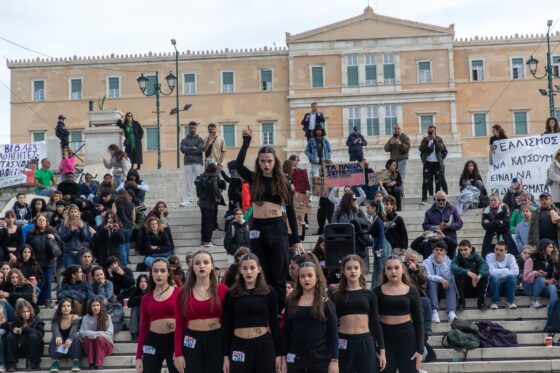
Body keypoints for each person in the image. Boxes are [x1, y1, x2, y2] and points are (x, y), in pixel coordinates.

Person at [236, 126, 302, 309]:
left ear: (275, 162)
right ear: (258, 162)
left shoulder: (283, 183)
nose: (266, 164)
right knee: (260, 271)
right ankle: (263, 307)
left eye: (269, 161)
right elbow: (238, 165)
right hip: (257, 227)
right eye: (263, 161)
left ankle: (280, 309)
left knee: (279, 274)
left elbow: (290, 213)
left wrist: (295, 239)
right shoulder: (254, 178)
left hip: (277, 228)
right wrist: (246, 142)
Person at [222, 253, 282, 373]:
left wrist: (279, 355)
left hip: (264, 345)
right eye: (245, 268)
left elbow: (274, 324)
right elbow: (227, 326)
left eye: (252, 268)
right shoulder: (231, 294)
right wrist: (225, 357)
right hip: (238, 345)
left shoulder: (269, 292)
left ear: (259, 269)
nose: (249, 272)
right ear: (240, 270)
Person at [173, 251, 228, 373]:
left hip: (216, 338)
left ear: (212, 265)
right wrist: (178, 353)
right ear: (192, 267)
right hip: (191, 338)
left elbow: (227, 322)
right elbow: (179, 324)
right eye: (197, 263)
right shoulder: (182, 293)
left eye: (206, 262)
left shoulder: (223, 290)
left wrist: (227, 354)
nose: (201, 266)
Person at [330, 255, 386, 373]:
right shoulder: (336, 295)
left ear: (361, 270)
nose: (353, 271)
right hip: (343, 341)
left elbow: (375, 323)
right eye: (349, 268)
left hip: (365, 340)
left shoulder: (369, 294)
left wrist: (382, 350)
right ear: (343, 272)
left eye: (356, 268)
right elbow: (331, 324)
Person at [283, 260, 338, 373]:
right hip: (295, 355)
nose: (306, 279)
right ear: (298, 279)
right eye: (302, 276)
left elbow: (333, 333)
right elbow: (286, 332)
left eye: (309, 275)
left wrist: (334, 360)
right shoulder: (291, 302)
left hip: (320, 356)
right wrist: (283, 357)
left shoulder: (325, 303)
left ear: (316, 277)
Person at [374, 255, 423, 373]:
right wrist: (378, 347)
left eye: (396, 267)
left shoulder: (412, 291)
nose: (393, 271)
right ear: (384, 271)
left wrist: (420, 349)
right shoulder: (377, 291)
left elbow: (418, 321)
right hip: (385, 338)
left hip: (407, 337)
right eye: (389, 268)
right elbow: (374, 321)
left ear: (403, 270)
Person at [133, 258, 179, 373]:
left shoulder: (179, 293)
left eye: (163, 271)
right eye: (155, 271)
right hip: (152, 341)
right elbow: (143, 328)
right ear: (151, 273)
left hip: (174, 340)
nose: (159, 274)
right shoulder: (146, 298)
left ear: (169, 273)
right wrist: (138, 356)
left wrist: (181, 349)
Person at [26, 213, 62, 308]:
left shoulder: (52, 232)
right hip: (36, 262)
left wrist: (54, 238)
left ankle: (48, 301)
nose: (41, 222)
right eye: (39, 220)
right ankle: (37, 301)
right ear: (36, 222)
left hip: (48, 262)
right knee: (37, 281)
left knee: (48, 282)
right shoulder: (31, 234)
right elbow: (27, 247)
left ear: (46, 222)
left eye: (43, 220)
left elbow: (60, 245)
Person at [332, 193, 372, 270]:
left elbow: (366, 223)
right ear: (347, 200)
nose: (355, 201)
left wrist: (356, 222)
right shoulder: (338, 212)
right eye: (353, 199)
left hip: (358, 243)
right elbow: (333, 225)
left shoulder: (358, 211)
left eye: (355, 199)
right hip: (344, 243)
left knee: (359, 269)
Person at [422, 240, 458, 323]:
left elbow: (449, 277)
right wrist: (440, 279)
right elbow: (427, 276)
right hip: (432, 288)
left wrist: (442, 263)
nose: (438, 252)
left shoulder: (449, 262)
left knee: (451, 281)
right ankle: (434, 311)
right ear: (433, 251)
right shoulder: (427, 261)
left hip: (445, 287)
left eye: (441, 250)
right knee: (431, 282)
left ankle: (451, 311)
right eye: (436, 249)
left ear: (445, 252)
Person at [5, 300, 44, 371]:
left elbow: (40, 334)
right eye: (23, 312)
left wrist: (26, 329)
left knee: (33, 336)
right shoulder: (17, 321)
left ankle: (34, 364)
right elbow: (10, 330)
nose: (26, 314)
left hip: (35, 349)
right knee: (10, 336)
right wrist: (13, 330)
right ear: (19, 313)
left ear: (31, 311)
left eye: (28, 311)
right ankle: (11, 365)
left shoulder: (37, 320)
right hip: (21, 348)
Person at [422, 191, 463, 258]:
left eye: (443, 200)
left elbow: (460, 223)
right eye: (439, 200)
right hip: (435, 243)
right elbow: (425, 225)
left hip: (450, 241)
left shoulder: (453, 209)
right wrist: (435, 227)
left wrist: (450, 226)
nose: (441, 202)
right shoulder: (429, 212)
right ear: (435, 200)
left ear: (446, 199)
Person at [451, 240, 489, 310]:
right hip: (463, 289)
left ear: (470, 249)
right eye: (461, 250)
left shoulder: (477, 257)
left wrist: (478, 277)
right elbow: (453, 267)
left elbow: (485, 266)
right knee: (457, 274)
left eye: (465, 249)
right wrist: (468, 272)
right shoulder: (457, 258)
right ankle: (461, 302)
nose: (463, 252)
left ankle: (481, 302)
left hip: (476, 287)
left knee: (485, 275)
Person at [403, 249, 432, 336]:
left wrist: (416, 271)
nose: (410, 262)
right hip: (405, 295)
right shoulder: (402, 269)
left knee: (426, 301)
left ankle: (427, 328)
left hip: (419, 295)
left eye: (412, 260)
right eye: (408, 260)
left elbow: (424, 281)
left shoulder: (421, 268)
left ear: (417, 262)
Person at [79, 297, 114, 369]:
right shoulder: (85, 318)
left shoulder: (107, 317)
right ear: (90, 307)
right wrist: (91, 334)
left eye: (98, 305)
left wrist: (95, 334)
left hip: (105, 347)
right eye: (93, 305)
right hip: (90, 347)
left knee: (99, 338)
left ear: (101, 306)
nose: (95, 307)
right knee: (88, 339)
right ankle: (91, 363)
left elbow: (109, 333)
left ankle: (99, 364)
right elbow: (81, 333)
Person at [48, 298, 82, 372]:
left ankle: (76, 361)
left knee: (75, 336)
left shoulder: (75, 317)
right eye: (63, 306)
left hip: (72, 348)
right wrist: (58, 336)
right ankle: (56, 362)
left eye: (68, 306)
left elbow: (74, 330)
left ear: (71, 308)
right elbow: (55, 329)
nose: (66, 308)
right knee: (55, 337)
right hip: (60, 349)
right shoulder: (56, 319)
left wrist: (70, 339)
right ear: (60, 308)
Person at [523, 238, 558, 308]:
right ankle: (534, 301)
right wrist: (537, 273)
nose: (552, 249)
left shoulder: (551, 260)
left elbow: (550, 278)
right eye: (550, 247)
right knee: (541, 278)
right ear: (543, 247)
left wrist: (552, 280)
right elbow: (526, 278)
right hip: (530, 288)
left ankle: (553, 305)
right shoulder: (532, 258)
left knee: (552, 287)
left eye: (552, 247)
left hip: (543, 287)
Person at [486, 241, 519, 310]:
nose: (498, 252)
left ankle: (510, 302)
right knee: (494, 278)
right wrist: (507, 270)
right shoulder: (489, 256)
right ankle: (494, 302)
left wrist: (499, 273)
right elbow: (491, 272)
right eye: (496, 249)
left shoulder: (510, 257)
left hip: (508, 285)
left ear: (505, 251)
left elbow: (516, 271)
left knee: (512, 277)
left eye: (501, 250)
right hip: (495, 285)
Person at [180, 121, 205, 207]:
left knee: (199, 182)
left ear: (196, 129)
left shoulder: (200, 139)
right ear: (188, 128)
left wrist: (188, 149)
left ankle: (200, 199)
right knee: (188, 182)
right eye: (190, 127)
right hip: (187, 163)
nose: (192, 129)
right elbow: (182, 150)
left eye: (193, 128)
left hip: (198, 163)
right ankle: (189, 200)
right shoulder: (184, 140)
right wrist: (193, 147)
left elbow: (200, 150)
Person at [419, 125, 445, 204]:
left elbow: (441, 148)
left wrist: (435, 140)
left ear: (435, 131)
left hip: (437, 163)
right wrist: (427, 141)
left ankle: (437, 199)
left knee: (438, 182)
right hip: (427, 163)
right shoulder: (425, 140)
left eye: (432, 131)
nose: (430, 133)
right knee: (425, 181)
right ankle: (424, 198)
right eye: (429, 131)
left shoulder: (439, 139)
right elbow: (420, 149)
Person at [197, 163, 221, 248]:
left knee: (204, 222)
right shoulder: (213, 177)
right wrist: (219, 195)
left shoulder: (202, 176)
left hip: (202, 203)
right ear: (214, 170)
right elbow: (215, 189)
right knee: (209, 223)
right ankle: (207, 241)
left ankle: (203, 240)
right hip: (209, 203)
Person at [384, 124, 410, 194]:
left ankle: (401, 193)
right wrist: (390, 143)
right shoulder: (392, 138)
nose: (396, 130)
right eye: (395, 128)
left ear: (401, 129)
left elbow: (407, 149)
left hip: (402, 160)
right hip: (393, 162)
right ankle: (395, 192)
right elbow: (386, 149)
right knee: (393, 177)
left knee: (400, 177)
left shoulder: (405, 138)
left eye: (398, 128)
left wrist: (400, 143)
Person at [115, 190, 135, 266]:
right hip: (129, 226)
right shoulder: (132, 204)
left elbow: (113, 214)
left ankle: (124, 263)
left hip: (120, 226)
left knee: (122, 244)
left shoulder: (116, 203)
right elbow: (133, 218)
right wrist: (132, 225)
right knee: (127, 243)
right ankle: (126, 259)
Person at [128, 274, 148, 343]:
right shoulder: (135, 291)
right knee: (135, 308)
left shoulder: (151, 292)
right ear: (138, 283)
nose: (143, 283)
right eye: (141, 282)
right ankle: (134, 333)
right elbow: (129, 303)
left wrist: (138, 299)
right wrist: (142, 298)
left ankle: (142, 332)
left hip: (148, 315)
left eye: (145, 282)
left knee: (141, 307)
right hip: (137, 313)